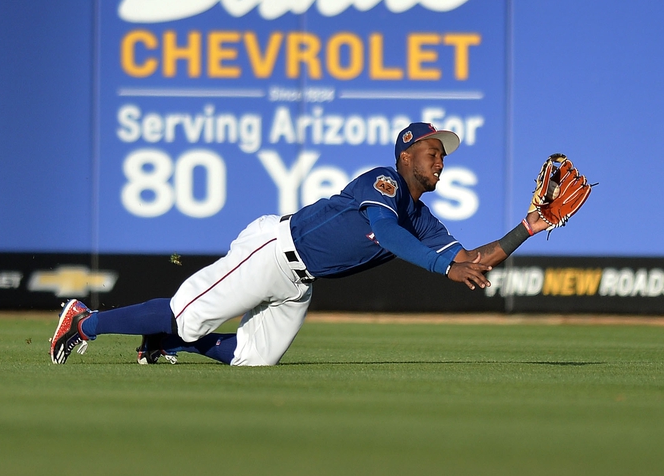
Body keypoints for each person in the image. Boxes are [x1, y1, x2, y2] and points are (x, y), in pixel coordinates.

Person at [50, 122, 552, 366]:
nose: (440, 162)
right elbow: (388, 235)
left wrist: (527, 228)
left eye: (442, 156)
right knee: (185, 312)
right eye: (431, 151)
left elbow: (472, 260)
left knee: (255, 357)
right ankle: (84, 321)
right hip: (272, 249)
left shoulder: (421, 218)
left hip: (299, 282)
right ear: (405, 155)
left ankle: (162, 342)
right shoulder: (383, 184)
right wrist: (443, 269)